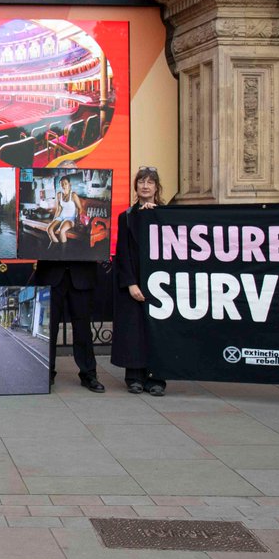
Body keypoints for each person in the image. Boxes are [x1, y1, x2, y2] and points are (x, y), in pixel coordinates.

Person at [112, 166, 167, 396]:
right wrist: (131, 283)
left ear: (156, 187)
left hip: (161, 285)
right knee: (132, 330)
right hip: (133, 283)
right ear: (135, 187)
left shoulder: (167, 215)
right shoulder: (125, 217)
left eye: (150, 182)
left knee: (158, 332)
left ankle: (156, 378)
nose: (145, 186)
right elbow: (122, 253)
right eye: (141, 182)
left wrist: (153, 216)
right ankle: (133, 377)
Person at [38, 257, 104, 393]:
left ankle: (88, 374)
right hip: (51, 272)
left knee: (83, 329)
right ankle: (46, 373)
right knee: (49, 327)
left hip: (82, 272)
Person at [49, 177, 83, 245]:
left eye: (65, 184)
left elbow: (80, 208)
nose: (64, 186)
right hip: (61, 217)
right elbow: (59, 209)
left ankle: (63, 251)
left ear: (69, 184)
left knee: (62, 231)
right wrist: (54, 220)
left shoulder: (73, 195)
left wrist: (78, 221)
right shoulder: (59, 195)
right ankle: (57, 246)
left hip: (70, 218)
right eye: (62, 184)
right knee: (49, 230)